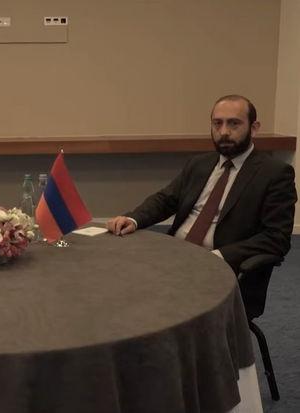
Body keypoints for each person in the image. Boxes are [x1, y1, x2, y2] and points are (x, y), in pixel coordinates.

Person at [106, 95, 296, 319]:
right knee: (113, 280)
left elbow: (276, 237)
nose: (224, 131)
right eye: (217, 123)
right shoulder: (199, 164)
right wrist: (134, 218)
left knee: (145, 305)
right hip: (176, 255)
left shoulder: (274, 174)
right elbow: (166, 199)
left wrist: (218, 256)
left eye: (234, 123)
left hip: (222, 269)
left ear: (254, 128)